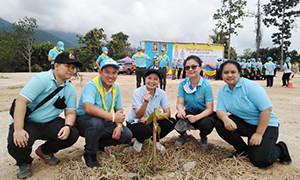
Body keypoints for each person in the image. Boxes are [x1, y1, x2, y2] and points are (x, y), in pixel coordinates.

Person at [7, 52, 81, 179]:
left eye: (73, 67)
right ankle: (24, 161)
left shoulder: (69, 89)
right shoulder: (42, 79)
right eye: (68, 66)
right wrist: (18, 129)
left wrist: (68, 126)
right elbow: (21, 101)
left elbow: (70, 112)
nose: (71, 70)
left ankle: (45, 151)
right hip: (29, 121)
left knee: (72, 134)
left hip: (49, 122)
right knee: (16, 143)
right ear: (56, 66)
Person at [215, 60, 292, 168]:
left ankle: (280, 148)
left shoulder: (250, 86)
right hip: (246, 123)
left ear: (239, 73)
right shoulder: (223, 90)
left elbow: (266, 110)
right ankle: (242, 150)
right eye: (226, 72)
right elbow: (220, 110)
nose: (229, 75)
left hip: (266, 125)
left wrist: (259, 133)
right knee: (220, 123)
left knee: (261, 160)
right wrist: (225, 119)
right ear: (221, 74)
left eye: (233, 72)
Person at [76, 58, 132, 168]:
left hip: (104, 120)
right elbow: (88, 108)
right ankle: (89, 154)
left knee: (127, 135)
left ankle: (97, 144)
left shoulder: (116, 88)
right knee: (97, 123)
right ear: (100, 72)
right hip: (85, 121)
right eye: (107, 72)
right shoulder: (91, 85)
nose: (111, 76)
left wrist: (119, 126)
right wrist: (113, 117)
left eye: (114, 72)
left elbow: (119, 110)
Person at [126, 65, 175, 152]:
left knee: (171, 122)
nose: (152, 81)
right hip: (136, 122)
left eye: (155, 79)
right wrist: (145, 102)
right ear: (145, 78)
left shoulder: (161, 93)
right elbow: (138, 115)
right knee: (145, 131)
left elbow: (167, 113)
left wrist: (149, 118)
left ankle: (154, 141)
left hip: (149, 120)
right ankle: (138, 143)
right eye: (149, 78)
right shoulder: (137, 92)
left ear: (159, 81)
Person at [174, 55, 217, 148]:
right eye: (187, 67)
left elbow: (209, 109)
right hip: (189, 112)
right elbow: (179, 103)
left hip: (203, 114)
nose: (191, 69)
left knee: (206, 124)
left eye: (194, 66)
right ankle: (183, 135)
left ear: (200, 67)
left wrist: (196, 117)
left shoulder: (206, 85)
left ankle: (203, 136)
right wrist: (181, 109)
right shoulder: (183, 84)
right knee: (177, 117)